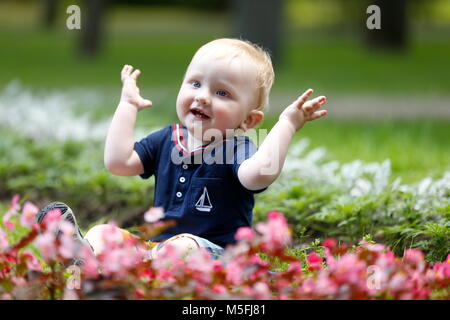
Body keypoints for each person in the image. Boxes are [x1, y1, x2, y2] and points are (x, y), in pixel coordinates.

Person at [37, 38, 328, 261]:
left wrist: (287, 124)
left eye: (222, 93)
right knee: (102, 233)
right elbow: (118, 162)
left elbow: (259, 175)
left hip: (215, 252)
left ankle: (127, 269)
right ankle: (86, 258)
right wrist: (127, 106)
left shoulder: (236, 147)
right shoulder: (167, 139)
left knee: (182, 247)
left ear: (248, 120)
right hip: (155, 246)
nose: (203, 96)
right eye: (196, 83)